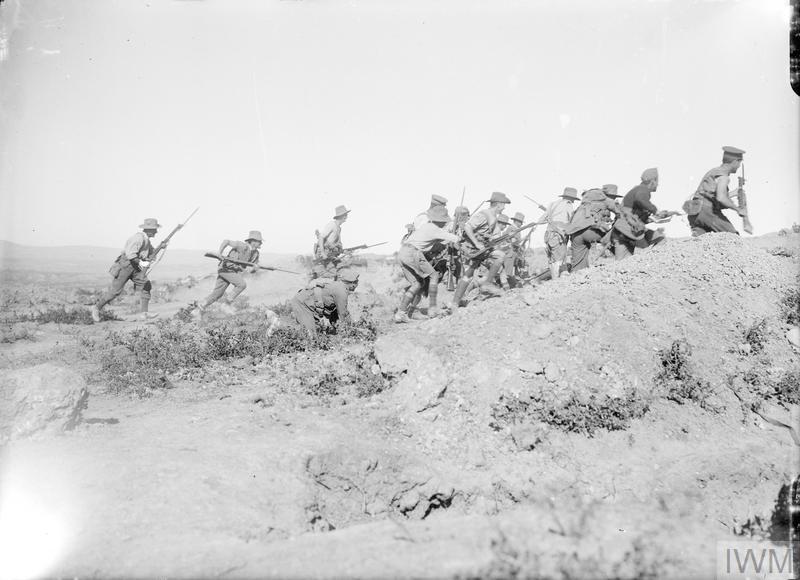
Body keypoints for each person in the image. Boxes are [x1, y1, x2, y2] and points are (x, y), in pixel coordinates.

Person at [92, 218, 166, 322]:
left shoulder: (146, 240)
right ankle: (96, 308)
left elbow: (151, 253)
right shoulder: (138, 238)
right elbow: (131, 255)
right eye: (155, 230)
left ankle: (144, 313)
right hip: (126, 265)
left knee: (146, 285)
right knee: (114, 292)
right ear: (149, 230)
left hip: (135, 266)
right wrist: (141, 263)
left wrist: (161, 247)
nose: (156, 232)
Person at [395, 205, 460, 322]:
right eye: (444, 222)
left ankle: (401, 313)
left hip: (403, 253)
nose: (444, 224)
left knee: (417, 284)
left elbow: (438, 240)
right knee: (434, 275)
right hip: (413, 253)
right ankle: (433, 308)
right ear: (441, 221)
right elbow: (454, 239)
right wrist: (459, 238)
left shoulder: (427, 227)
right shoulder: (434, 228)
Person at [448, 191, 511, 309]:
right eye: (503, 205)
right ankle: (486, 285)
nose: (504, 207)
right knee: (499, 256)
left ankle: (455, 303)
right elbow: (467, 227)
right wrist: (477, 243)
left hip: (481, 248)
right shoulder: (484, 214)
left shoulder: (493, 217)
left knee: (469, 274)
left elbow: (492, 235)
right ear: (498, 204)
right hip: (473, 248)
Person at [195, 231, 263, 315]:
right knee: (241, 285)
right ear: (253, 241)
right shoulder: (242, 245)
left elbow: (251, 271)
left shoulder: (255, 254)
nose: (261, 243)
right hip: (225, 269)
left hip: (233, 272)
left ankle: (201, 306)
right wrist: (219, 253)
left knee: (217, 294)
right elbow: (226, 241)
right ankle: (226, 304)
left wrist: (255, 269)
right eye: (259, 241)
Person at [684, 146, 747, 237]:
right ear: (734, 162)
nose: (739, 166)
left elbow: (713, 197)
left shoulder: (714, 172)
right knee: (732, 237)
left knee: (701, 243)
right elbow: (721, 198)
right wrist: (738, 210)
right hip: (707, 212)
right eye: (739, 162)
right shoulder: (723, 177)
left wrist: (734, 193)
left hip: (694, 213)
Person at [611, 168, 672, 260]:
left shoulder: (636, 190)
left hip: (620, 230)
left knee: (622, 262)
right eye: (657, 181)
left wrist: (653, 218)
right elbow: (640, 199)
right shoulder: (643, 190)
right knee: (659, 240)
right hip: (630, 230)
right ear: (652, 181)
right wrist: (655, 210)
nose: (657, 185)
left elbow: (636, 213)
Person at [565, 186, 621, 272]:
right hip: (591, 230)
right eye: (614, 197)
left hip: (575, 234)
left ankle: (577, 281)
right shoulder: (605, 199)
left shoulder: (585, 203)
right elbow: (622, 213)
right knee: (619, 238)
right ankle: (624, 262)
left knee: (578, 266)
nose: (615, 199)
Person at [290, 268, 359, 336]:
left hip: (306, 302)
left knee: (316, 332)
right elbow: (343, 314)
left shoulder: (339, 286)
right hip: (302, 303)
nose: (357, 285)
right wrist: (350, 331)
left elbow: (335, 314)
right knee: (311, 336)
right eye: (357, 282)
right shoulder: (341, 291)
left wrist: (337, 327)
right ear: (353, 283)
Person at [542, 187, 579, 279]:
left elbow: (542, 219)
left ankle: (555, 279)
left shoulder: (552, 204)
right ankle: (556, 282)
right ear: (571, 198)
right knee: (558, 259)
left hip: (549, 235)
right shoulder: (568, 204)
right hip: (558, 236)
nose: (573, 201)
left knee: (552, 259)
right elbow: (572, 219)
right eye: (573, 199)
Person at [312, 205, 350, 279]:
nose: (346, 216)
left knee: (341, 268)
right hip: (324, 254)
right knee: (332, 274)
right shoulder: (332, 225)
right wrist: (323, 253)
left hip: (331, 254)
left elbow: (338, 245)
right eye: (345, 214)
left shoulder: (338, 228)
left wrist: (344, 251)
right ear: (342, 216)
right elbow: (321, 237)